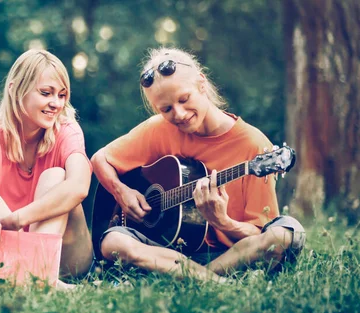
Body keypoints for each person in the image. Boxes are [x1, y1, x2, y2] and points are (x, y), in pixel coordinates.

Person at [90, 47, 306, 282]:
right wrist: (122, 191)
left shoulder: (254, 147)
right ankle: (216, 282)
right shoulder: (159, 129)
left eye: (184, 99)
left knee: (283, 234)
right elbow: (100, 159)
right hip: (165, 250)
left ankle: (197, 277)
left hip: (228, 256)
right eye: (167, 109)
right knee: (113, 241)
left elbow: (258, 233)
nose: (179, 114)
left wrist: (221, 221)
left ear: (201, 85)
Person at [0, 50, 94, 283]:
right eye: (46, 93)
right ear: (15, 89)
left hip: (68, 258)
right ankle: (32, 277)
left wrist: (16, 220)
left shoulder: (66, 130)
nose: (56, 104)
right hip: (9, 253)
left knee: (55, 176)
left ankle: (36, 274)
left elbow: (79, 186)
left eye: (62, 95)